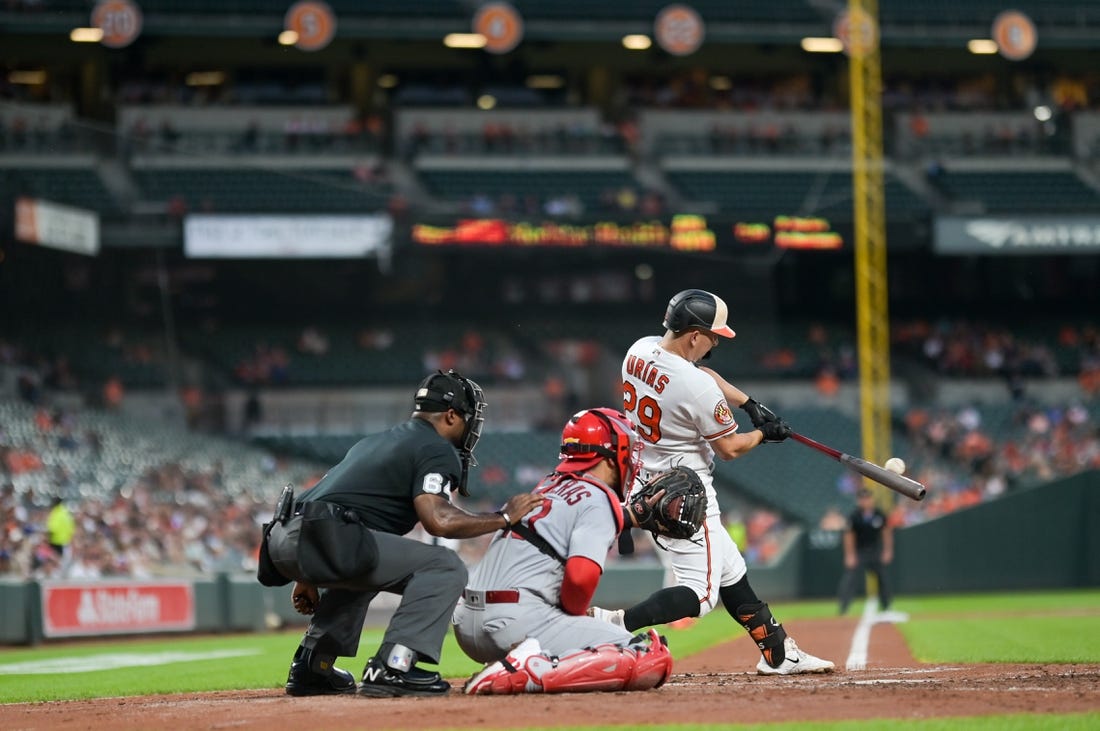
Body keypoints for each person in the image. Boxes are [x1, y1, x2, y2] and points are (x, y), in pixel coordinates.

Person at [589, 288, 835, 675]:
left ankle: (778, 652)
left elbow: (699, 374)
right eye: (713, 335)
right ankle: (611, 626)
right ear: (693, 335)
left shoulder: (638, 350)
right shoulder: (694, 385)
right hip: (685, 492)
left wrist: (750, 405)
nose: (715, 342)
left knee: (730, 570)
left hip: (647, 479)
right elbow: (730, 448)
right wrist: (764, 435)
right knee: (700, 596)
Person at [263, 369, 546, 698]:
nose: (472, 428)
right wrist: (503, 517)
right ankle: (395, 665)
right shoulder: (436, 447)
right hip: (324, 535)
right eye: (469, 418)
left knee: (361, 571)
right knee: (444, 566)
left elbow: (328, 498)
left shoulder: (377, 441)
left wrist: (307, 572)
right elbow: (437, 520)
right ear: (452, 416)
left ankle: (314, 666)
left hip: (283, 537)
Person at [453, 407, 673, 694]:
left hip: (466, 620)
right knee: (647, 655)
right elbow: (580, 581)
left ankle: (520, 661)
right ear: (612, 454)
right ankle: (527, 671)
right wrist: (573, 618)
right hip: (512, 621)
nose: (631, 459)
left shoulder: (546, 486)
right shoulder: (599, 496)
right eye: (628, 449)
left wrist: (628, 516)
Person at [838, 487, 894, 615]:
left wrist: (887, 550)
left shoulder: (879, 514)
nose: (865, 501)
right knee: (850, 579)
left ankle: (887, 607)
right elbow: (849, 536)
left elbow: (886, 533)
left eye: (867, 498)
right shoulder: (854, 515)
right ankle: (843, 608)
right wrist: (850, 555)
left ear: (871, 499)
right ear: (858, 500)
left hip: (875, 551)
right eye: (862, 499)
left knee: (882, 578)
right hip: (860, 551)